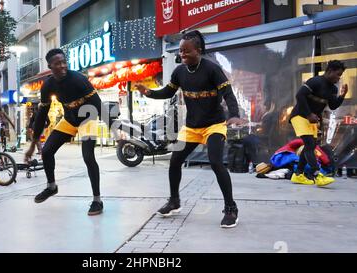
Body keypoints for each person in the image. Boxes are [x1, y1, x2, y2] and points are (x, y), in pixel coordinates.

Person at [136, 30, 246, 228]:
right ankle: (174, 201)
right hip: (192, 127)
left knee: (215, 162)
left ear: (199, 50)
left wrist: (234, 115)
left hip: (214, 125)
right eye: (181, 51)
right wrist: (149, 92)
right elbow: (167, 91)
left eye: (187, 51)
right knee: (175, 160)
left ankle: (231, 208)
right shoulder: (179, 71)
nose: (182, 55)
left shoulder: (212, 69)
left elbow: (228, 94)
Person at [25, 48, 113, 216]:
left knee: (88, 156)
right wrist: (33, 145)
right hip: (70, 120)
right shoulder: (48, 85)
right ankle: (51, 187)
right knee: (47, 151)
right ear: (50, 66)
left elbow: (98, 103)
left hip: (88, 118)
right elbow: (42, 115)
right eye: (58, 63)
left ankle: (97, 200)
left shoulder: (78, 79)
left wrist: (113, 127)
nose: (63, 66)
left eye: (64, 62)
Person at [290, 60, 348, 186]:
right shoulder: (315, 81)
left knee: (309, 146)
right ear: (330, 71)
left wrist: (342, 96)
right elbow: (299, 95)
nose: (339, 78)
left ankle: (298, 175)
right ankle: (318, 175)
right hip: (300, 116)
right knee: (310, 144)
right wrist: (309, 114)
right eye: (338, 74)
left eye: (340, 75)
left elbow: (332, 106)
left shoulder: (333, 88)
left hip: (312, 119)